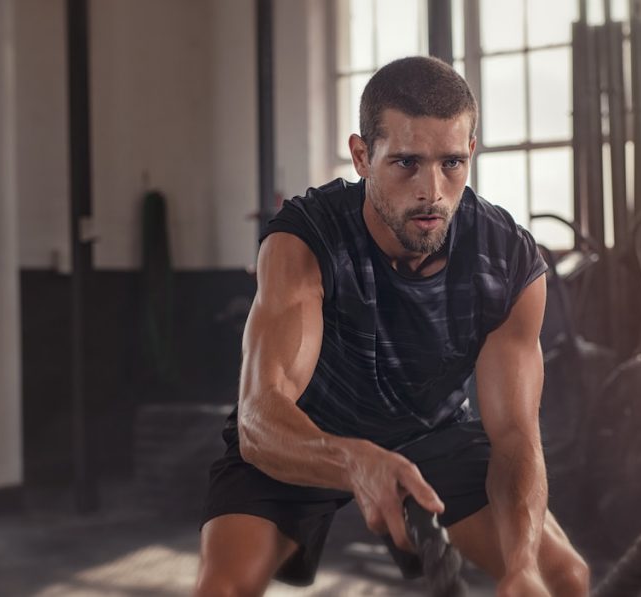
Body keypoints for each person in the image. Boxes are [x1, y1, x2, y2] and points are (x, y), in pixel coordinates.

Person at [195, 56, 589, 597]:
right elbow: (260, 416)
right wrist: (353, 459)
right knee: (222, 589)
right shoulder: (305, 241)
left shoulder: (508, 262)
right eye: (407, 163)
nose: (432, 190)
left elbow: (517, 436)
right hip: (308, 431)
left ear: (471, 152)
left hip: (431, 431)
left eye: (452, 163)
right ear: (362, 156)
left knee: (560, 579)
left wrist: (519, 563)